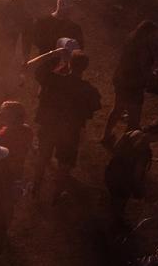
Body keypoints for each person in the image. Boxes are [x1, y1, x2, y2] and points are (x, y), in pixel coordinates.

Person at [25, 48, 102, 196]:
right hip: (70, 132)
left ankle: (35, 187)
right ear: (85, 67)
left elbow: (33, 67)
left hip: (49, 126)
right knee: (64, 163)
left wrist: (53, 54)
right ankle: (57, 194)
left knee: (43, 156)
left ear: (69, 64)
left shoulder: (53, 79)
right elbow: (94, 107)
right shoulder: (88, 90)